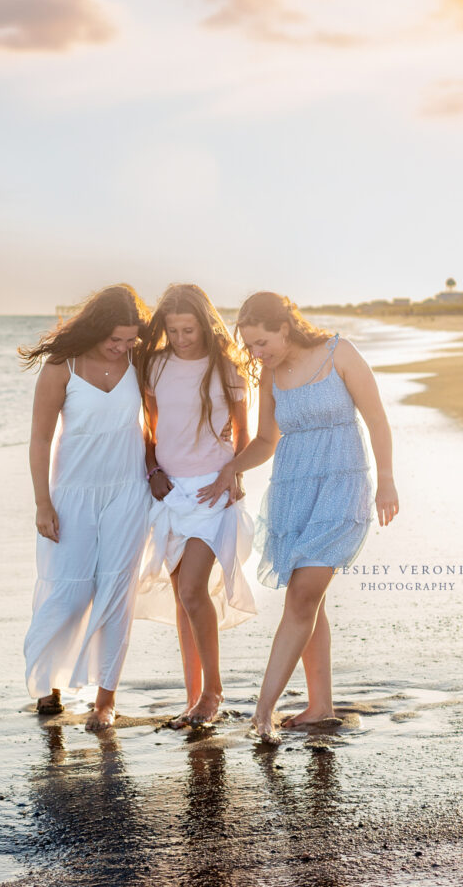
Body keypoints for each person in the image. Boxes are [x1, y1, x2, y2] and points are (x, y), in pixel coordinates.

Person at [203, 292, 398, 745]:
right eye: (249, 346)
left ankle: (263, 710)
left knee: (304, 595)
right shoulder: (270, 376)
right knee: (309, 599)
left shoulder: (339, 352)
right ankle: (320, 706)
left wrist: (386, 481)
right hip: (294, 491)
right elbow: (267, 440)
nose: (256, 353)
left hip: (341, 485)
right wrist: (230, 467)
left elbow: (377, 420)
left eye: (261, 342)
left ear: (285, 327)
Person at [18, 284, 151, 731]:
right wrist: (42, 501)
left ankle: (105, 701)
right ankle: (47, 683)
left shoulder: (139, 360)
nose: (121, 348)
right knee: (69, 592)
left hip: (129, 490)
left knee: (116, 594)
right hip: (73, 493)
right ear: (95, 329)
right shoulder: (62, 366)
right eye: (114, 339)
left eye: (129, 340)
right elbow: (39, 438)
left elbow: (158, 417)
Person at [134, 284, 256, 728]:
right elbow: (149, 428)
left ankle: (213, 691)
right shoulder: (155, 365)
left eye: (189, 329)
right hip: (168, 494)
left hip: (212, 491)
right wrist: (152, 470)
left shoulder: (226, 368)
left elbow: (245, 434)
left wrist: (235, 474)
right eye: (173, 330)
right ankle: (193, 700)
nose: (181, 338)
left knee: (191, 590)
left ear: (204, 325)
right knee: (186, 601)